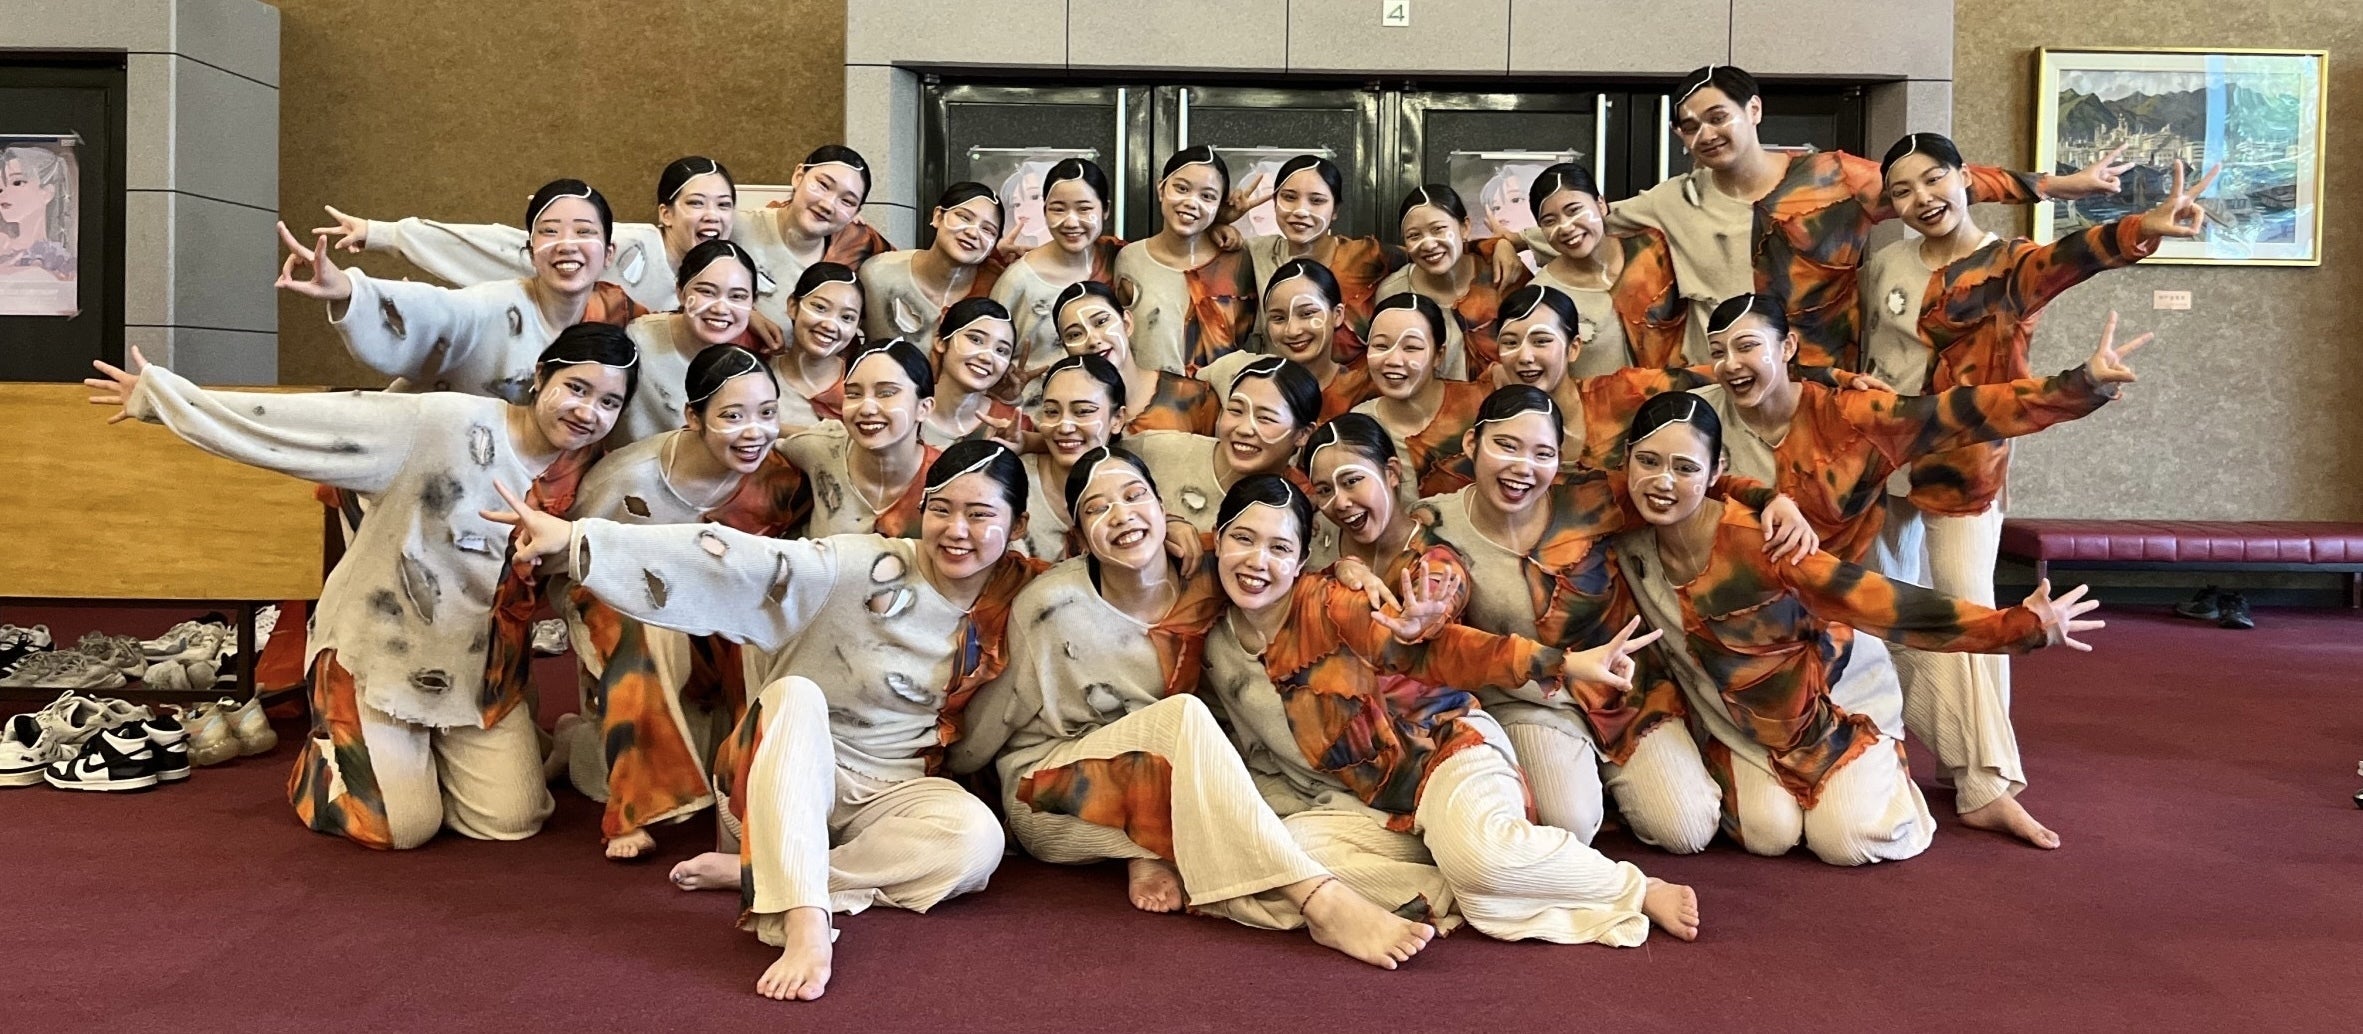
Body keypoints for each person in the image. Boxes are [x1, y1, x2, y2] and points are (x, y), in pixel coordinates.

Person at [489, 441, 1047, 1001]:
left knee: (977, 840)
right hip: (776, 772)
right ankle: (804, 923)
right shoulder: (856, 565)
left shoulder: (1022, 594)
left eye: (979, 515)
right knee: (796, 695)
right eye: (941, 509)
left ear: (1019, 525)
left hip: (891, 790)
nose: (956, 530)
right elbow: (728, 557)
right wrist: (579, 539)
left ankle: (762, 871)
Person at [83, 324, 642, 849]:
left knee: (513, 822)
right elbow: (312, 422)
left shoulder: (588, 473)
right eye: (576, 388)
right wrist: (166, 399)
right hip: (379, 652)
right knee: (401, 829)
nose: (587, 411)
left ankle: (426, 760)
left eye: (608, 402)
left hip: (482, 673)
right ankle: (335, 753)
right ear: (541, 375)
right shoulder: (442, 422)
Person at [946, 446, 1439, 968]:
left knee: (1279, 814)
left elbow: (1272, 558)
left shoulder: (1210, 574)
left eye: (1134, 497)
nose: (1121, 516)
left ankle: (1443, 887)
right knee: (1184, 717)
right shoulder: (1048, 606)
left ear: (1162, 510)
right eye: (1097, 508)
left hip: (1175, 778)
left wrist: (1347, 569)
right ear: (1080, 534)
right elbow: (983, 732)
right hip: (1059, 792)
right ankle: (1321, 902)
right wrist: (947, 779)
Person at [1857, 134, 2212, 849]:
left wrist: (2141, 228)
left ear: (1964, 180)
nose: (1921, 199)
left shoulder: (2008, 265)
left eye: (1934, 180)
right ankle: (1953, 754)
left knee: (1972, 620)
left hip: (1963, 464)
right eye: (1902, 191)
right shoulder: (1886, 262)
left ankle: (1988, 781)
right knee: (1886, 614)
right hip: (1879, 459)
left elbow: (2073, 256)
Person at [1604, 391, 2104, 864]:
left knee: (1846, 841)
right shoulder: (1627, 526)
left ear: (1716, 471)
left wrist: (2020, 626)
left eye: (1685, 467)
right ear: (1627, 460)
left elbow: (1891, 606)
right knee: (1767, 835)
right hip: (1745, 725)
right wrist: (1763, 493)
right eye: (1648, 461)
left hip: (1834, 703)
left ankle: (1889, 774)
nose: (1663, 482)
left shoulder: (1765, 541)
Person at [1199, 475, 1701, 945]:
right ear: (1217, 541)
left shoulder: (1333, 601)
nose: (1258, 561)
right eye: (1243, 539)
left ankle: (1632, 887)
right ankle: (1455, 889)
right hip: (1379, 810)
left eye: (1279, 548)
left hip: (1448, 754)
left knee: (1480, 858)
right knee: (1285, 852)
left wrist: (1565, 663)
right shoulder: (1216, 645)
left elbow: (1443, 652)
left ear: (1301, 560)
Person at [1411, 385, 1815, 846]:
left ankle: (1629, 778)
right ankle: (1584, 782)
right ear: (1471, 443)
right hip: (1531, 699)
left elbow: (1681, 478)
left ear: (1559, 460)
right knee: (1570, 823)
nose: (1523, 467)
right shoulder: (1435, 524)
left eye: (1542, 453)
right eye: (1506, 446)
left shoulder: (1588, 497)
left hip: (1625, 689)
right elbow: (1404, 578)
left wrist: (1769, 499)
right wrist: (1365, 577)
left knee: (1687, 830)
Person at [1562, 65, 2130, 368]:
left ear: (1753, 110)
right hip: (1723, 379)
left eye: (1717, 117)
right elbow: (1585, 223)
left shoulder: (1833, 176)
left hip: (1823, 379)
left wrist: (2060, 185)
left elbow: (1937, 184)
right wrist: (1513, 241)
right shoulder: (1674, 197)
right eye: (1690, 127)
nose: (1705, 134)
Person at [558, 345, 809, 860]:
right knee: (644, 620)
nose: (754, 432)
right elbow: (571, 566)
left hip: (723, 614)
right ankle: (630, 807)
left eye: (767, 413)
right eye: (732, 416)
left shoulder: (781, 479)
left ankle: (752, 782)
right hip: (625, 609)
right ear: (693, 416)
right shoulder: (628, 477)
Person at [1693, 291, 2143, 567]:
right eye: (1718, 352)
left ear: (1788, 346)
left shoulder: (1856, 415)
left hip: (1836, 606)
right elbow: (1665, 381)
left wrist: (2082, 384)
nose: (1730, 364)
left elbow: (1972, 411)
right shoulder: (1699, 412)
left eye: (1747, 346)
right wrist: (1831, 371)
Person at [274, 179, 647, 402]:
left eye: (584, 231)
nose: (566, 244)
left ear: (608, 252)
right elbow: (439, 308)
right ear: (531, 251)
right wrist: (348, 289)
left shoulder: (622, 314)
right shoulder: (492, 307)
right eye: (550, 231)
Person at [306, 156, 741, 313]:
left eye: (723, 205)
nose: (712, 215)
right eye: (696, 203)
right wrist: (384, 234)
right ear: (666, 213)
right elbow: (498, 247)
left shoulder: (732, 272)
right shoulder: (617, 245)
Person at [1220, 154, 1402, 365]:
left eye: (1316, 201)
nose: (1300, 211)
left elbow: (1424, 256)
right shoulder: (1257, 253)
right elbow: (1196, 256)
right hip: (1280, 381)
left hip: (1353, 383)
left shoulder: (1366, 256)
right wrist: (1218, 222)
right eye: (1289, 197)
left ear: (1335, 210)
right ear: (1274, 203)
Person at [1520, 162, 1685, 375]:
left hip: (1681, 392)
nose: (1566, 227)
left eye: (1574, 210)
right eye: (1550, 221)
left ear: (1601, 205)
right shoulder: (1544, 296)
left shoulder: (1652, 250)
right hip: (1597, 396)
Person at [1127, 355, 1320, 533]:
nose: (1244, 429)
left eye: (1265, 418)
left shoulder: (1302, 506)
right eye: (1235, 410)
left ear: (1303, 434)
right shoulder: (1156, 451)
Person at [989, 158, 1127, 401]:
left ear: (1105, 209)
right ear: (1044, 211)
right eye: (1058, 209)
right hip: (1036, 411)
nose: (1071, 222)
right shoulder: (1018, 280)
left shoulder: (1120, 261)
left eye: (1084, 209)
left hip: (1110, 407)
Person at [775, 338, 944, 537]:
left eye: (886, 393)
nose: (867, 409)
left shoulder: (947, 477)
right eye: (854, 394)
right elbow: (763, 437)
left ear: (924, 407)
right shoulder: (823, 449)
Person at [1112, 146, 1257, 375]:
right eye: (1181, 188)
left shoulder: (1240, 260)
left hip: (1228, 394)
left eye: (1207, 196)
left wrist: (1220, 223)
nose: (1191, 202)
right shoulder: (1129, 258)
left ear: (1220, 205)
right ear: (1161, 189)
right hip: (1150, 395)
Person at [614, 239, 768, 444]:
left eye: (737, 296)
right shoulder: (637, 340)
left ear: (753, 303)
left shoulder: (752, 359)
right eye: (707, 292)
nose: (721, 309)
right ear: (680, 292)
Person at [1373, 184, 1531, 382]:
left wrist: (1506, 242)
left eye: (1438, 229)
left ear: (1465, 227)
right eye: (1414, 236)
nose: (1429, 244)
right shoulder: (1394, 291)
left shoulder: (1503, 272)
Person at [732, 145, 898, 325]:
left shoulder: (854, 244)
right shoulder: (737, 227)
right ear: (798, 176)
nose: (828, 205)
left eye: (847, 201)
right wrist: (745, 312)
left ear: (856, 212)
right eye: (823, 185)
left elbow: (904, 271)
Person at [1197, 258, 1374, 420]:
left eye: (1307, 314)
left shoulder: (1363, 390)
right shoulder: (1237, 371)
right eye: (1278, 318)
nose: (1292, 331)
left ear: (1337, 315)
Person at [1349, 294, 1489, 495]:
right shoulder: (1360, 425)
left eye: (1412, 347)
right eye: (1381, 346)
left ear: (1438, 355)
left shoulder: (1479, 404)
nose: (1394, 360)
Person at [1053, 280, 1218, 435]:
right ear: (1065, 349)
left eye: (1101, 322)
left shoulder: (1195, 399)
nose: (1093, 340)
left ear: (1126, 324)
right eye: (1075, 334)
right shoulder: (1066, 423)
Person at [860, 183, 1003, 354]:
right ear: (938, 216)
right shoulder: (877, 273)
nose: (972, 233)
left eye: (987, 230)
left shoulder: (999, 290)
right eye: (964, 217)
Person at [1013, 355, 1127, 560]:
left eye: (1082, 411)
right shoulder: (1011, 482)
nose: (1064, 427)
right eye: (1051, 411)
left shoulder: (1135, 481)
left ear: (1117, 419)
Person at [917, 297, 1024, 448]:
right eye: (975, 339)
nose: (986, 357)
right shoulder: (903, 408)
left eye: (1001, 350)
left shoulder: (1013, 425)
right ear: (940, 341)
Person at [770, 262, 863, 426]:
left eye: (847, 317)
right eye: (820, 307)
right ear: (793, 306)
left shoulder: (864, 386)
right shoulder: (757, 376)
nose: (830, 325)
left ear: (857, 326)